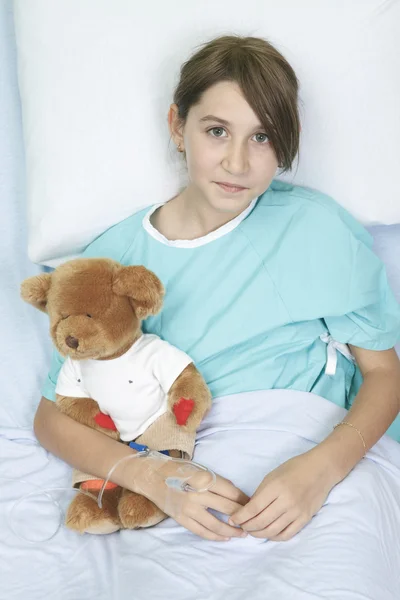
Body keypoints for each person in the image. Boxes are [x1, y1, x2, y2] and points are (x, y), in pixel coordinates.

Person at [33, 35, 400, 543]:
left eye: (262, 137)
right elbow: (52, 417)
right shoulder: (110, 261)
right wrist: (148, 477)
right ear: (177, 127)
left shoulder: (316, 230)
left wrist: (321, 469)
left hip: (315, 454)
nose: (237, 162)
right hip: (178, 476)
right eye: (217, 131)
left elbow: (383, 372)